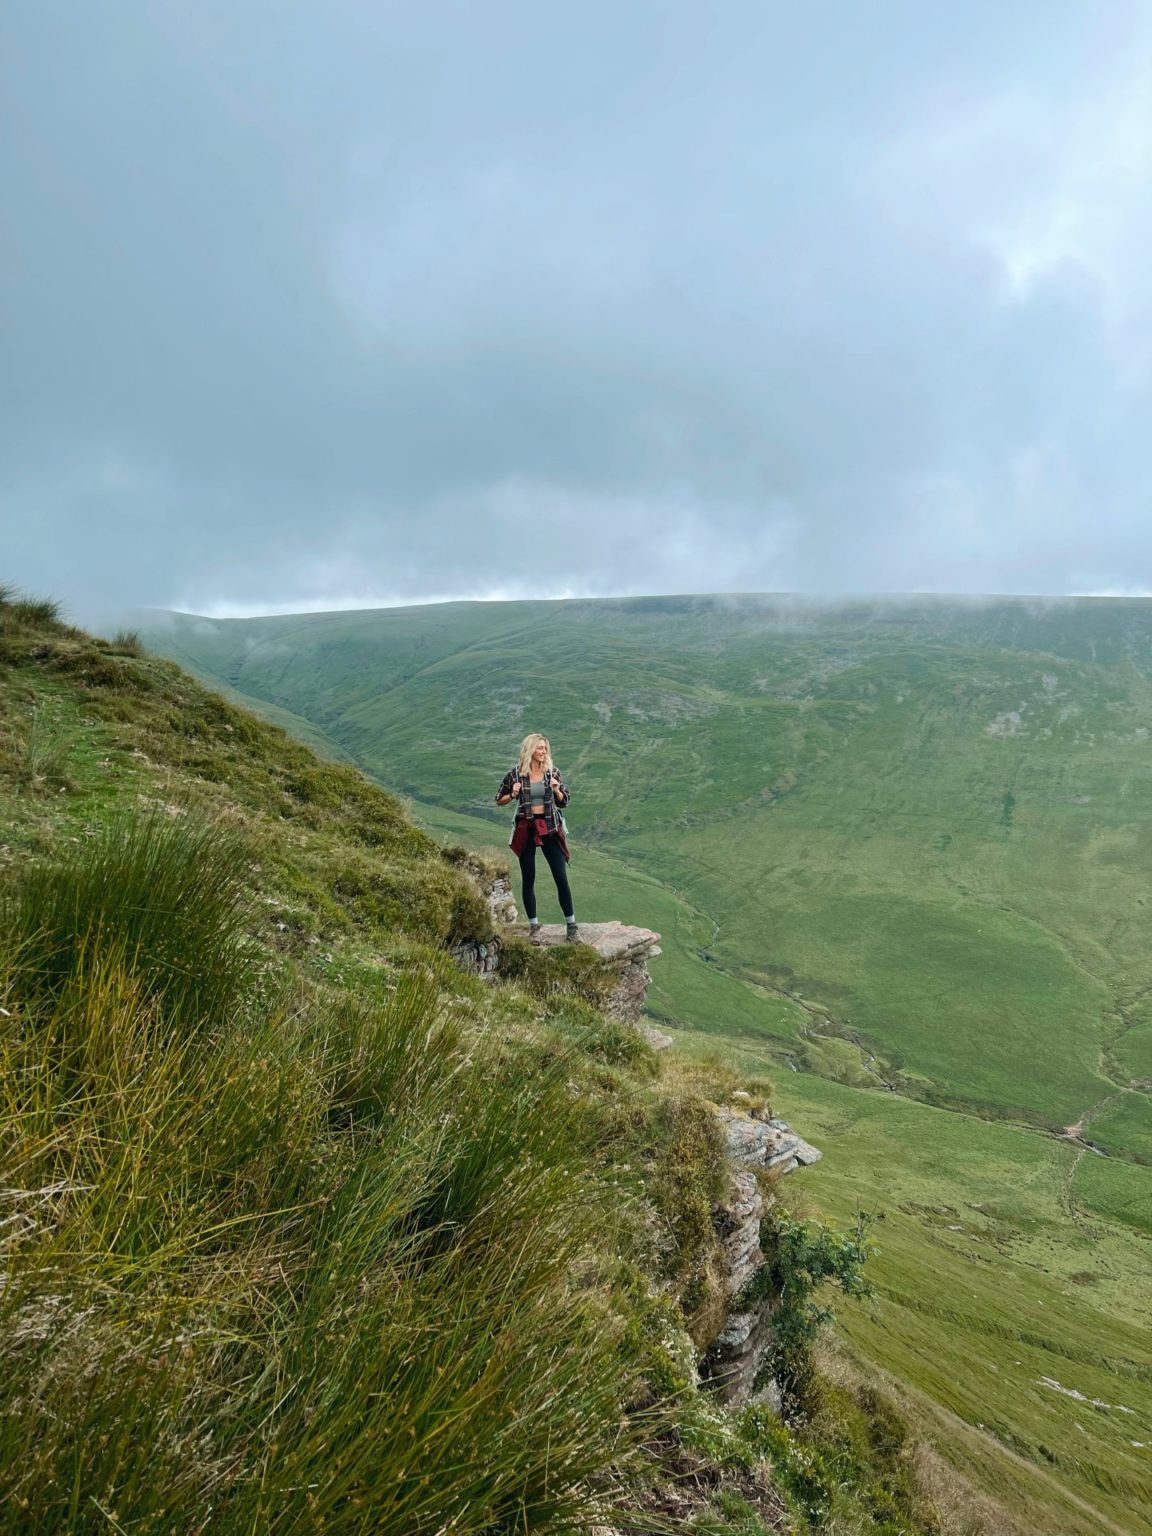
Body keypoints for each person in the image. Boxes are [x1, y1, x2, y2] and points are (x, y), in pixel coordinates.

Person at [495, 733, 579, 942]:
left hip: (550, 827)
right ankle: (534, 926)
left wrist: (558, 791)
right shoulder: (515, 775)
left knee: (560, 877)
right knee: (528, 878)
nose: (544, 752)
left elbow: (564, 801)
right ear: (530, 749)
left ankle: (571, 926)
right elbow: (499, 800)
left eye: (545, 748)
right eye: (540, 748)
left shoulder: (553, 773)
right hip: (527, 829)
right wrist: (513, 794)